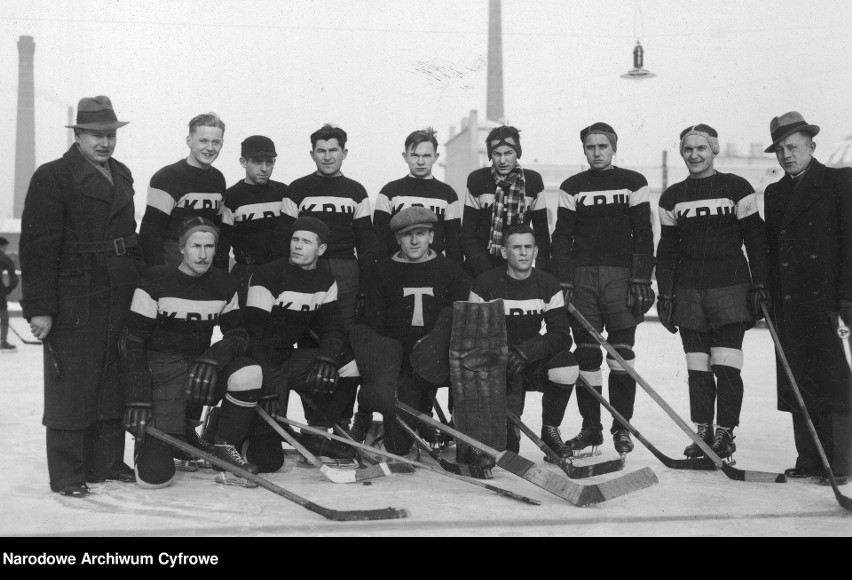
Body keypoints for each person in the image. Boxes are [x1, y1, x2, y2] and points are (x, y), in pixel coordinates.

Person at [20, 96, 145, 497]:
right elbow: (37, 249)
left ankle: (105, 462)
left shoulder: (121, 174)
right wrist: (40, 309)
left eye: (110, 135)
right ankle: (68, 473)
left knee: (111, 377)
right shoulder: (53, 176)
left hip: (119, 289)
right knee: (71, 382)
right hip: (77, 291)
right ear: (78, 134)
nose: (104, 143)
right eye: (96, 135)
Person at [656, 124, 770, 461]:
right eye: (688, 149)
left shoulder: (736, 186)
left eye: (701, 148)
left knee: (726, 365)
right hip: (690, 292)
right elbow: (667, 251)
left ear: (714, 149)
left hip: (731, 287)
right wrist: (665, 293)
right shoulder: (672, 196)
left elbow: (756, 239)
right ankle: (703, 430)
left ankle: (725, 434)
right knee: (697, 368)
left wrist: (760, 283)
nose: (694, 155)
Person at [121, 218, 263, 488]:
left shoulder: (223, 282)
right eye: (195, 246)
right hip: (162, 372)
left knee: (249, 372)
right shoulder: (155, 279)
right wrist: (137, 399)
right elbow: (134, 341)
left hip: (201, 368)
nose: (202, 254)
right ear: (182, 248)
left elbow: (237, 334)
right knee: (155, 479)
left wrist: (214, 356)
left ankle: (223, 441)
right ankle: (161, 438)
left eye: (209, 246)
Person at [546, 122, 655, 457]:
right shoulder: (572, 186)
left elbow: (644, 233)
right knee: (588, 356)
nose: (597, 152)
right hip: (582, 279)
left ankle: (622, 428)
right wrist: (563, 280)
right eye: (590, 147)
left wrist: (641, 277)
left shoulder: (633, 182)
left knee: (621, 355)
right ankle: (591, 429)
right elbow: (562, 237)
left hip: (621, 278)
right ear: (584, 149)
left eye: (603, 146)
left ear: (613, 148)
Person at [763, 112, 852, 486]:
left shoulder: (838, 181)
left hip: (830, 302)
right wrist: (766, 293)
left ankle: (842, 463)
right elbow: (770, 250)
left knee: (835, 381)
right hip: (790, 303)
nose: (786, 155)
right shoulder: (775, 192)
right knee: (798, 380)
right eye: (780, 149)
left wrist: (847, 298)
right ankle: (811, 459)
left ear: (812, 146)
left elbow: (849, 244)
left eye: (793, 146)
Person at [243, 217, 360, 466]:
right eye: (295, 239)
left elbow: (332, 328)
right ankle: (223, 423)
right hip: (261, 362)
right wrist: (265, 390)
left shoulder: (325, 279)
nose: (297, 246)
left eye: (306, 242)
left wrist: (327, 358)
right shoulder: (267, 274)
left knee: (348, 365)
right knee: (267, 462)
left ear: (321, 250)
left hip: (289, 359)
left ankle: (315, 434)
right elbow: (254, 338)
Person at [357, 207, 467, 453]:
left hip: (437, 357)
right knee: (397, 447)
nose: (415, 240)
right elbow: (373, 324)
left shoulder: (449, 269)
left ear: (431, 236)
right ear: (397, 239)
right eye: (408, 235)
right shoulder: (382, 270)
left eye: (421, 233)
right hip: (400, 361)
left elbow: (459, 320)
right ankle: (403, 419)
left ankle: (446, 425)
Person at [469, 225, 579, 463]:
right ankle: (496, 431)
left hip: (529, 361)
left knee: (566, 366)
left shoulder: (548, 283)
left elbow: (561, 334)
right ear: (504, 251)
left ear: (536, 250)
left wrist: (526, 351)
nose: (523, 253)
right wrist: (503, 355)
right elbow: (472, 334)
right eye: (516, 247)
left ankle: (550, 432)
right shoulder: (485, 283)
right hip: (496, 363)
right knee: (509, 448)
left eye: (528, 247)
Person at [288, 124, 383, 332]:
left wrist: (365, 285)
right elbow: (283, 237)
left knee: (345, 327)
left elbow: (366, 241)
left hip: (346, 268)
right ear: (312, 154)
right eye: (321, 151)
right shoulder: (297, 188)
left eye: (333, 150)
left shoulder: (356, 191)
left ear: (344, 153)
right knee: (308, 329)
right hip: (307, 267)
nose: (327, 157)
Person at [139, 112, 229, 271]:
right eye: (203, 141)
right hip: (172, 262)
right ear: (189, 141)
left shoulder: (218, 178)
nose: (210, 148)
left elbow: (217, 229)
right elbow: (150, 234)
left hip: (205, 261)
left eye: (216, 142)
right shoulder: (166, 177)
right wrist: (158, 277)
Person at [461, 125, 550, 282]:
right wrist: (486, 273)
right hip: (480, 268)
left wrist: (535, 271)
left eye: (508, 153)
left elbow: (542, 234)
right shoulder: (477, 180)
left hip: (520, 267)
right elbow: (468, 234)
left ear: (518, 153)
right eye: (497, 154)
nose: (502, 160)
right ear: (490, 155)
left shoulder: (533, 181)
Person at [221, 135, 296, 306]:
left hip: (282, 271)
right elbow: (222, 245)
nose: (264, 168)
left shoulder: (284, 192)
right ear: (243, 162)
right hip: (246, 273)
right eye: (256, 162)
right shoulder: (231, 197)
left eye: (269, 162)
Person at [373, 128, 463, 266]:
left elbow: (454, 244)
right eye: (414, 155)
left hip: (436, 268)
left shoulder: (447, 194)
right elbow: (379, 241)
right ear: (405, 156)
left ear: (436, 157)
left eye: (426, 155)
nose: (420, 162)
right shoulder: (389, 192)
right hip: (396, 268)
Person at [0, 237, 19, 352]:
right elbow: (14, 278)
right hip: (0, 293)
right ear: (3, 246)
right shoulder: (5, 259)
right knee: (4, 317)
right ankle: (2, 341)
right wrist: (8, 289)